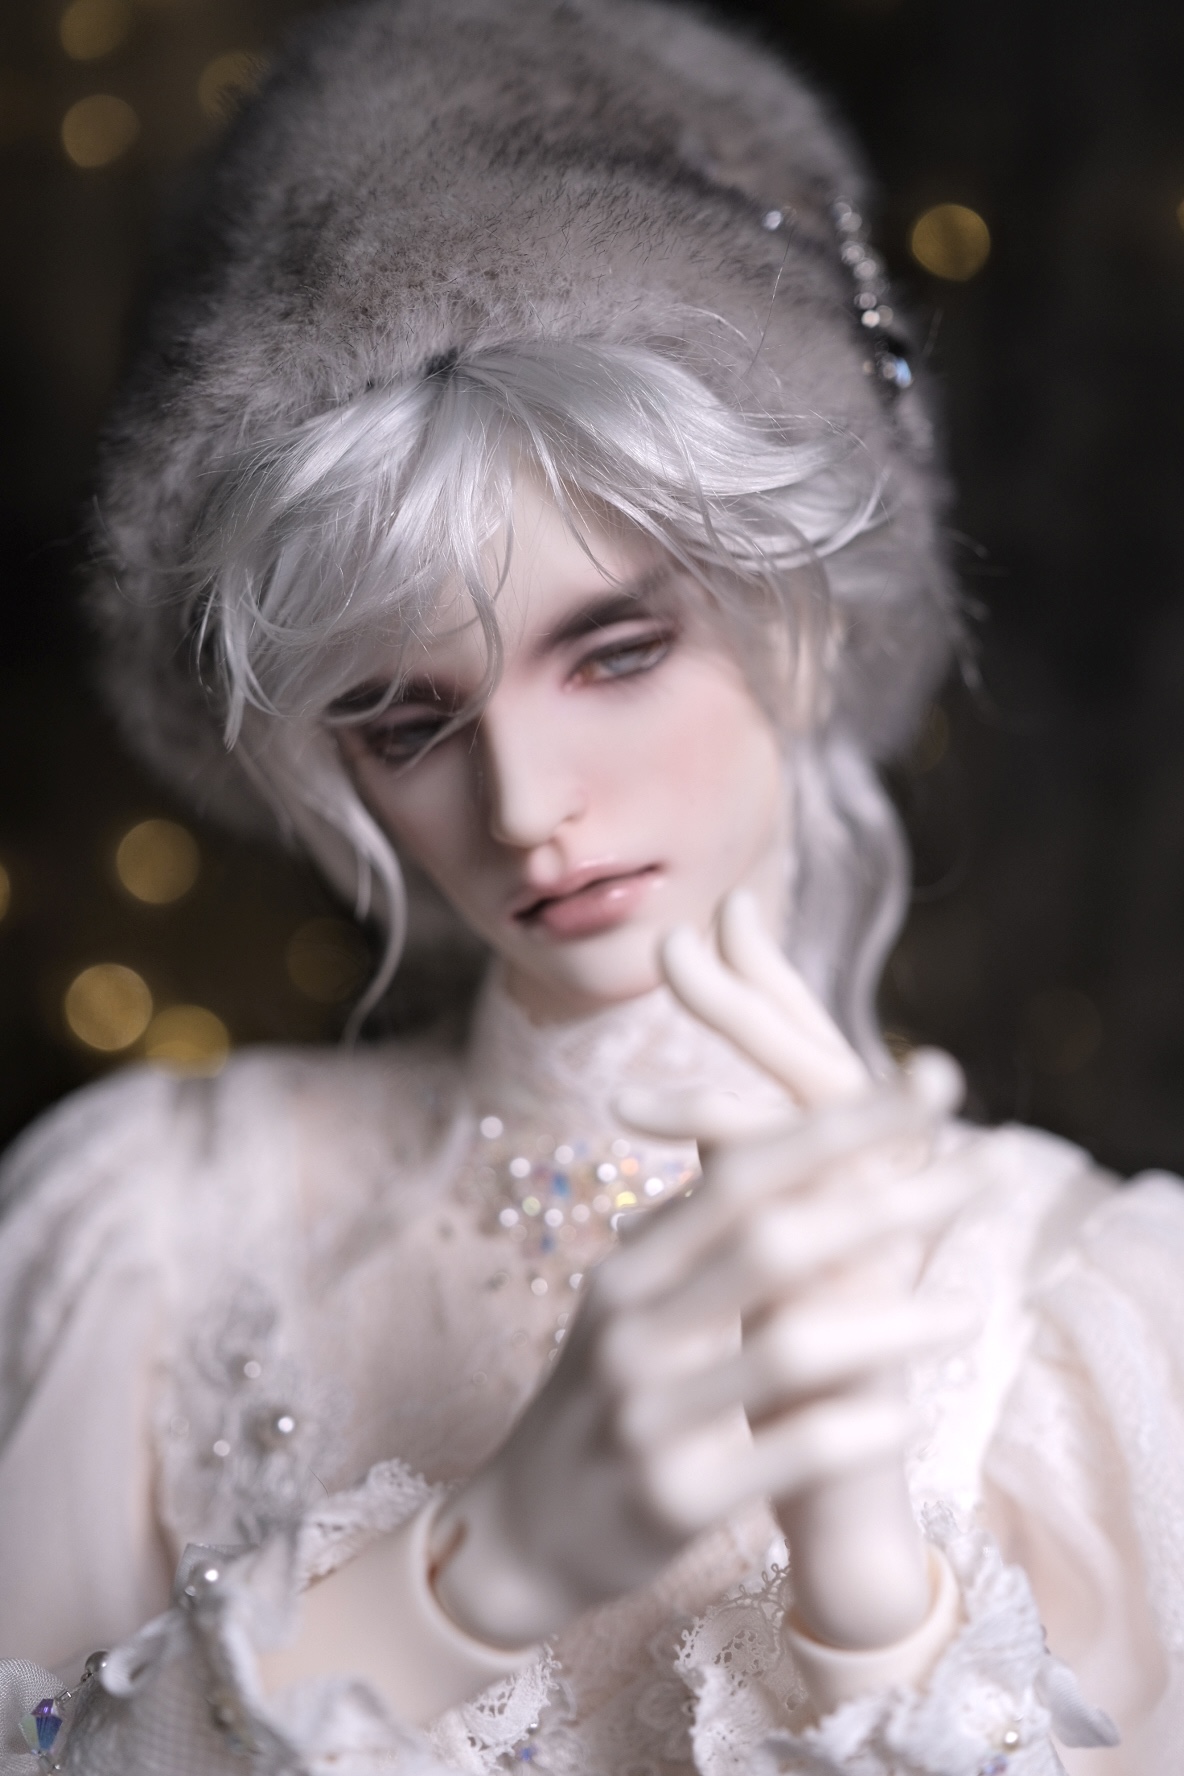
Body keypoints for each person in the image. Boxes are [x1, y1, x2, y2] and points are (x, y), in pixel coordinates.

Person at [0, 1, 1179, 1771]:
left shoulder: (1098, 1312)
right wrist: (470, 1574)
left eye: (617, 653)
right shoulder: (150, 1229)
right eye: (407, 722)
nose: (528, 807)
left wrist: (876, 1603)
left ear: (804, 623)